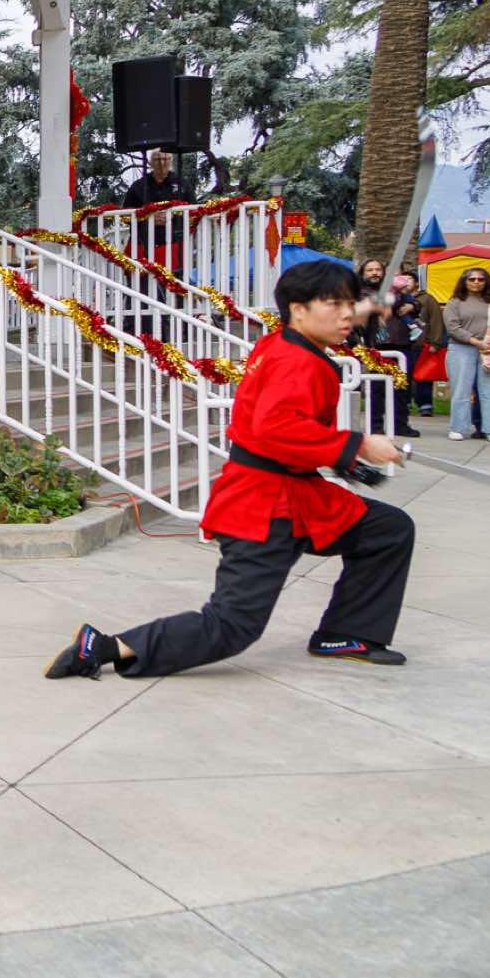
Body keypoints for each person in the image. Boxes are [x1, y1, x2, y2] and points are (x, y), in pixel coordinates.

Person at [45, 260, 412, 681]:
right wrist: (359, 445)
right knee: (232, 625)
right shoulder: (296, 361)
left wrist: (363, 307)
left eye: (350, 305)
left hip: (298, 496)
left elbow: (321, 328)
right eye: (335, 304)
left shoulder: (284, 341)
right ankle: (105, 646)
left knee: (387, 530)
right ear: (298, 310)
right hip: (263, 506)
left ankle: (346, 633)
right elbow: (275, 428)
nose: (346, 315)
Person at [444, 266, 490, 442]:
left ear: (486, 282)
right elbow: (452, 327)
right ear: (464, 282)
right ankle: (458, 428)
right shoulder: (455, 302)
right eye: (472, 279)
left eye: (481, 279)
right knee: (461, 390)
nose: (476, 282)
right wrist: (476, 342)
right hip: (461, 349)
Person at [352, 259, 414, 437]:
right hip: (377, 345)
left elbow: (414, 304)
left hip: (401, 343)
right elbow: (378, 303)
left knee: (402, 387)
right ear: (363, 274)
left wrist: (412, 304)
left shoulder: (395, 290)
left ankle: (400, 424)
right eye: (370, 270)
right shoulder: (361, 292)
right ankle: (375, 425)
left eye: (378, 269)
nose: (375, 273)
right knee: (377, 387)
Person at [407, 268, 447, 416]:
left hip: (422, 344)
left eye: (409, 279)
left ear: (417, 283)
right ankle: (405, 403)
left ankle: (425, 405)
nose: (405, 282)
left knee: (424, 375)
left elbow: (436, 320)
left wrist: (435, 342)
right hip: (402, 344)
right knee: (404, 375)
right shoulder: (396, 298)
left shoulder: (427, 299)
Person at [120, 149, 193, 208]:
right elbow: (125, 215)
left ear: (171, 161)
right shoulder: (138, 186)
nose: (161, 163)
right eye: (157, 159)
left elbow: (194, 210)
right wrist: (149, 217)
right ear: (151, 162)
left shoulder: (182, 184)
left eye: (165, 159)